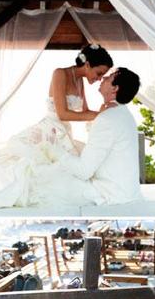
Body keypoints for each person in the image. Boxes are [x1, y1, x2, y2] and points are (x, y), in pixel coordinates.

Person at [0, 43, 113, 209]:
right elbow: (62, 113)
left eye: (102, 76)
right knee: (33, 167)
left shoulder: (80, 81)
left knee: (73, 169)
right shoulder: (60, 73)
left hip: (64, 132)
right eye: (99, 73)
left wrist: (104, 111)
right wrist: (98, 115)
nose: (99, 78)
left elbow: (84, 111)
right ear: (87, 65)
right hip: (49, 130)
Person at [58, 67, 141, 205]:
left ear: (115, 88)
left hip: (111, 194)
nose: (103, 78)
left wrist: (57, 154)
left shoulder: (107, 119)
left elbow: (84, 171)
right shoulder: (124, 114)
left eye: (109, 77)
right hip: (128, 192)